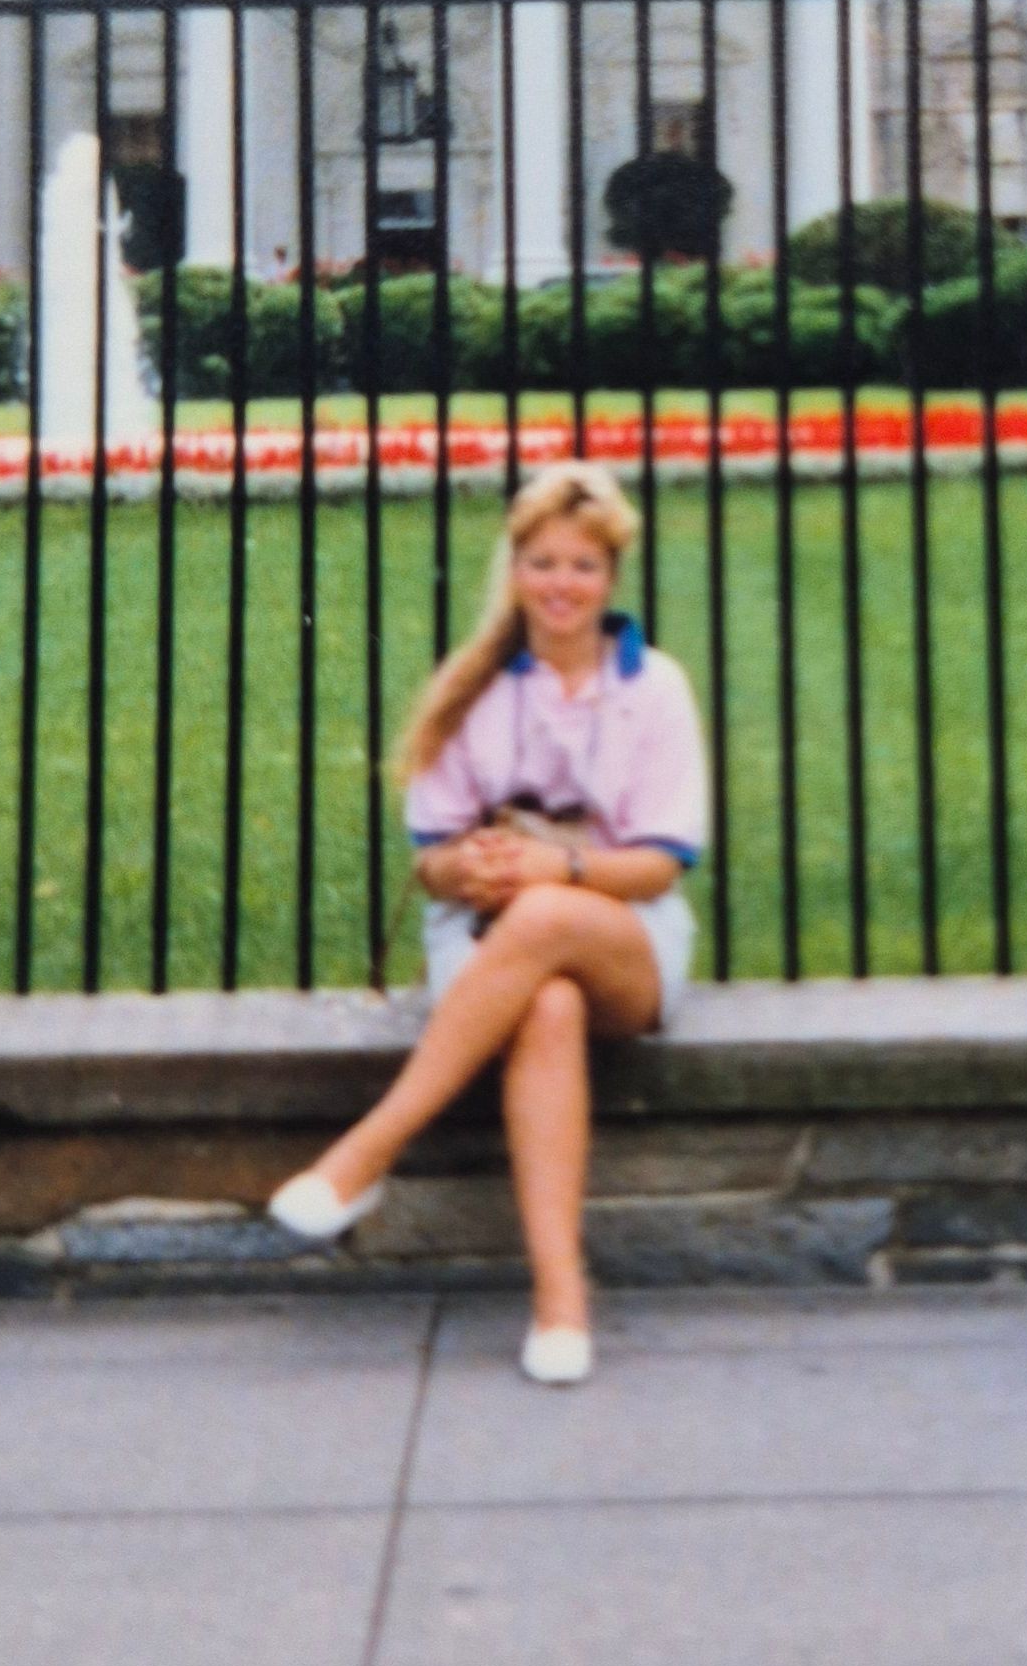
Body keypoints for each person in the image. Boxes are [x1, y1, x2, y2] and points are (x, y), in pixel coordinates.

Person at [267, 463, 706, 1385]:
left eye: (582, 565)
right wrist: (463, 868)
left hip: (628, 939)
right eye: (541, 562)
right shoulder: (471, 688)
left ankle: (369, 1148)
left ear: (612, 578)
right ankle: (560, 1301)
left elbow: (663, 861)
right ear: (514, 571)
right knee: (544, 1007)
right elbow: (428, 854)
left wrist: (562, 869)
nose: (560, 585)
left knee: (549, 913)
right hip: (486, 943)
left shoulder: (654, 686)